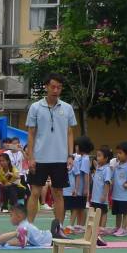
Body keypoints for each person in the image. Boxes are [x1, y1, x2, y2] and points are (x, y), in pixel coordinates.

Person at [25, 72, 77, 225]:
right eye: (53, 87)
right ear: (46, 87)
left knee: (58, 193)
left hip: (60, 158)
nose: (56, 90)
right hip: (40, 158)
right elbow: (31, 133)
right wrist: (31, 157)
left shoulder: (67, 108)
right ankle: (28, 228)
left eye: (59, 87)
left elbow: (69, 132)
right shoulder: (35, 107)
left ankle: (59, 228)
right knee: (35, 192)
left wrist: (70, 155)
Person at [108, 141, 127, 236]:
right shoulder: (117, 165)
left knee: (125, 213)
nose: (118, 155)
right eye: (117, 153)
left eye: (120, 153)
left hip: (124, 196)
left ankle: (123, 229)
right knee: (117, 213)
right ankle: (117, 227)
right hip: (116, 194)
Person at [89, 146, 113, 232]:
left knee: (103, 212)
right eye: (97, 155)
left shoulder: (107, 169)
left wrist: (104, 195)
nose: (97, 158)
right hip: (95, 197)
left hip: (101, 197)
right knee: (96, 212)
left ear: (106, 158)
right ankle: (97, 227)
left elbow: (107, 183)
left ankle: (102, 228)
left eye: (99, 156)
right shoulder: (98, 168)